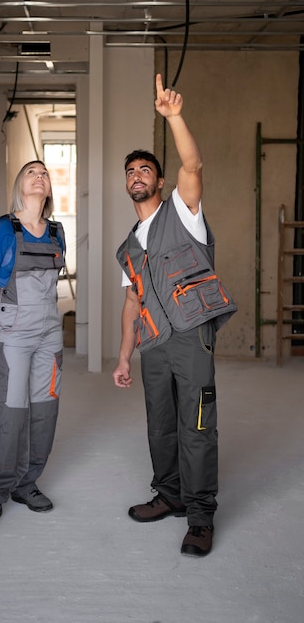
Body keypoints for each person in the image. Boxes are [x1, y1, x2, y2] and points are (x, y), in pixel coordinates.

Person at [112, 74, 237, 556]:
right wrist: (124, 356)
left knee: (197, 423)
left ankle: (201, 515)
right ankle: (170, 495)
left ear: (159, 181)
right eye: (130, 172)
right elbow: (131, 303)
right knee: (160, 424)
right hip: (153, 344)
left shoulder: (182, 212)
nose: (137, 176)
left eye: (145, 170)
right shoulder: (128, 247)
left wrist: (174, 117)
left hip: (191, 336)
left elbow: (193, 162)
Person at [0, 160, 66, 533]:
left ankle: (26, 485)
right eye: (31, 172)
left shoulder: (56, 232)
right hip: (14, 331)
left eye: (44, 173)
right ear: (19, 185)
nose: (39, 176)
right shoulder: (4, 229)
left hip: (50, 334)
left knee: (45, 412)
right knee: (9, 413)